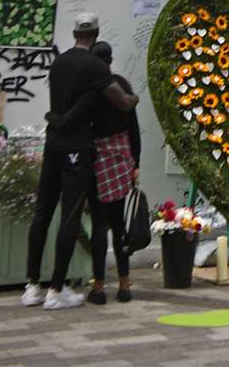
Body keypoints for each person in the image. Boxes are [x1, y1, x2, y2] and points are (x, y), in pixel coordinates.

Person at [21, 11, 138, 311]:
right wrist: (134, 99)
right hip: (77, 148)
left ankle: (32, 285)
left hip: (52, 144)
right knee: (70, 216)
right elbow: (122, 102)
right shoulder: (95, 67)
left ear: (74, 34)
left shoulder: (59, 63)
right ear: (96, 33)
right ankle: (56, 290)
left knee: (42, 213)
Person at [79, 41, 140, 304]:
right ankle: (125, 284)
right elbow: (134, 128)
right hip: (122, 157)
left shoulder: (92, 89)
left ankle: (99, 287)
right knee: (119, 225)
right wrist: (135, 162)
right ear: (111, 60)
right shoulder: (123, 86)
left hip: (98, 159)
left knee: (99, 226)